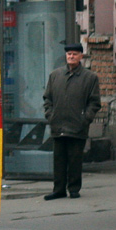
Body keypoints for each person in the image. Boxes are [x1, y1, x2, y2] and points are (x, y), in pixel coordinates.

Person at [42, 42, 102, 200]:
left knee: (75, 159)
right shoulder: (55, 75)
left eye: (75, 54)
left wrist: (85, 119)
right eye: (69, 54)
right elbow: (47, 99)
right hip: (58, 124)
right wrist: (51, 115)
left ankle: (74, 188)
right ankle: (58, 189)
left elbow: (94, 103)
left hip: (77, 126)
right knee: (59, 160)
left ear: (81, 56)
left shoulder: (90, 78)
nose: (71, 56)